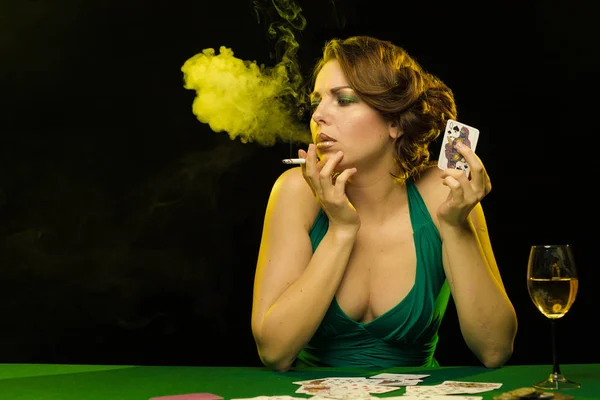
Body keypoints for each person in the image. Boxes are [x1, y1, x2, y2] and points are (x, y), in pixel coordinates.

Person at [251, 35, 518, 371]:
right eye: (317, 101)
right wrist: (341, 231)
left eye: (343, 100)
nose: (318, 115)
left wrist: (454, 226)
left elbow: (495, 349)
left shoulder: (446, 191)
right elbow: (274, 352)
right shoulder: (296, 192)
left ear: (394, 123)